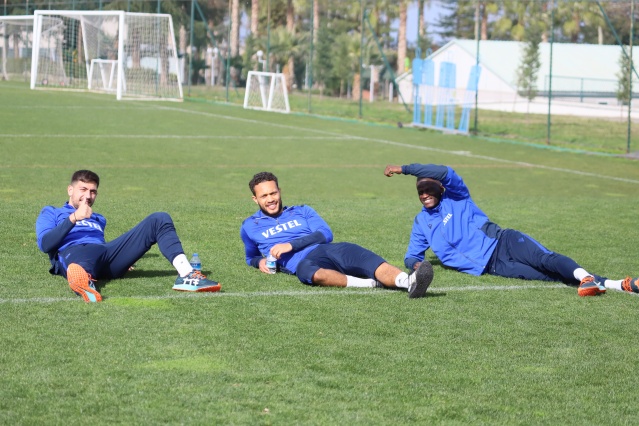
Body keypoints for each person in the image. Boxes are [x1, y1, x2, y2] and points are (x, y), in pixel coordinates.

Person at [383, 163, 639, 297]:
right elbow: (412, 255)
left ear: (441, 189)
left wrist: (404, 169)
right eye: (420, 192)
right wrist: (418, 266)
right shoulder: (421, 222)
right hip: (494, 267)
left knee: (546, 259)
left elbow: (445, 171)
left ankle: (588, 278)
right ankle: (619, 285)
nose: (424, 194)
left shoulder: (457, 197)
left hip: (503, 242)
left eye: (429, 189)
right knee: (549, 277)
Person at [36, 170, 221, 303]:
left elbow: (99, 246)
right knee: (81, 259)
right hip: (72, 252)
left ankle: (187, 275)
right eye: (83, 189)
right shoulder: (52, 212)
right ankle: (83, 281)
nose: (88, 196)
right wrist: (74, 218)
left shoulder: (98, 218)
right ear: (70, 190)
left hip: (104, 254)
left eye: (93, 191)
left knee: (159, 219)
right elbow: (45, 244)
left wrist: (124, 257)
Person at [240, 172, 432, 298]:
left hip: (326, 249)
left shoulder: (302, 211)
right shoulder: (249, 226)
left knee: (361, 257)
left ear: (280, 191)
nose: (271, 199)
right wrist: (259, 262)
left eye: (273, 193)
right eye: (264, 196)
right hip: (303, 263)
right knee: (307, 272)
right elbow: (251, 256)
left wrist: (291, 245)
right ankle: (371, 284)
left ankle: (409, 281)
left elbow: (325, 234)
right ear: (255, 199)